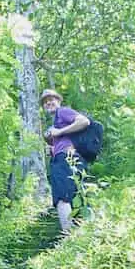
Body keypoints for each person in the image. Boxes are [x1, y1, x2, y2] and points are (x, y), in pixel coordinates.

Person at [40, 89, 90, 234]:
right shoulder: (56, 121)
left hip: (67, 157)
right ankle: (82, 232)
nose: (48, 103)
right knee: (76, 194)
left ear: (59, 101)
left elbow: (84, 121)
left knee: (61, 196)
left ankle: (68, 235)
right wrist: (52, 148)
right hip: (68, 157)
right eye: (45, 102)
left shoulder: (62, 112)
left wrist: (59, 132)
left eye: (51, 99)